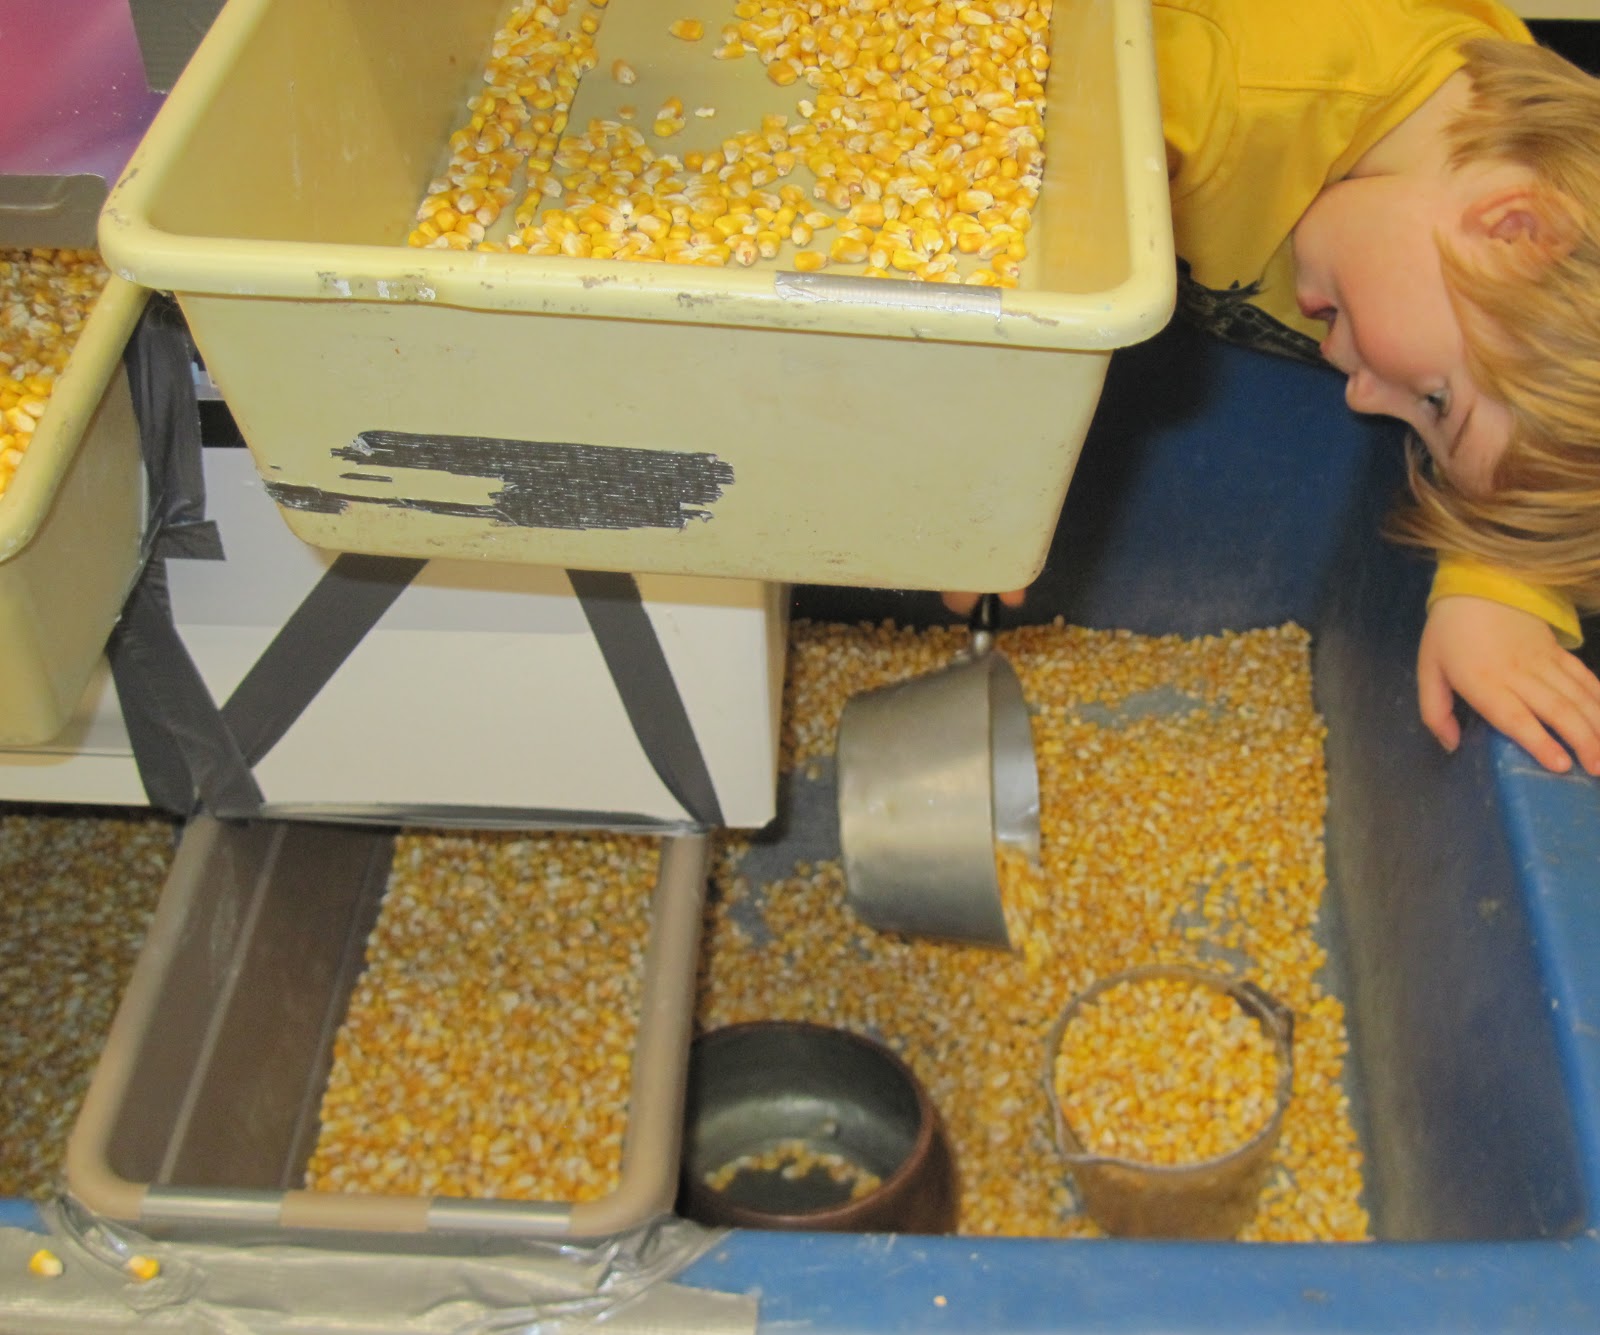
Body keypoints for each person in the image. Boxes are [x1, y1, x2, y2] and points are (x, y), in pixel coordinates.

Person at [950, 0, 1600, 777]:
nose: (1362, 401)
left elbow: (1524, 454)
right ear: (1514, 230)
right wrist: (975, 478)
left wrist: (1499, 587)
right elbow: (969, 224)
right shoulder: (1210, 89)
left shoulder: (1490, 200)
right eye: (1433, 402)